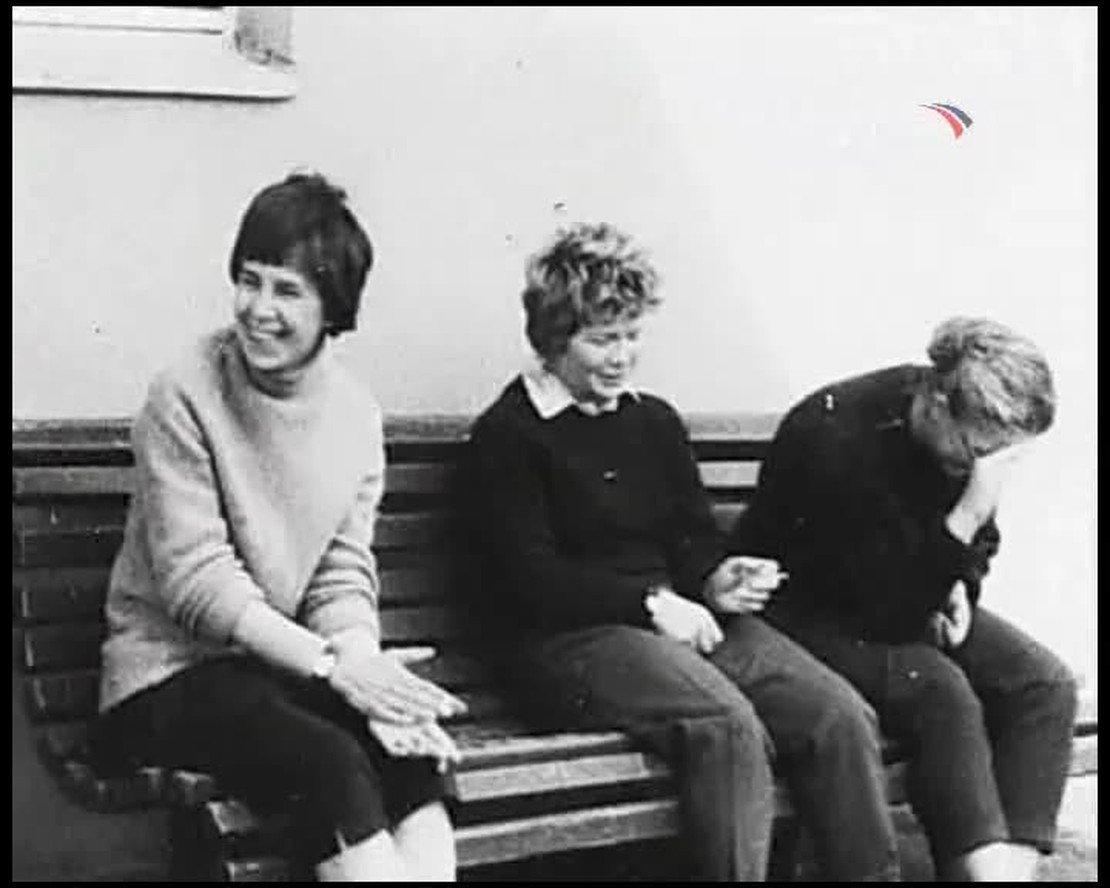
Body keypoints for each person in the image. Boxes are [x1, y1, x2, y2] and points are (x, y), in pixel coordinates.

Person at [459, 222, 902, 881]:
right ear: (552, 341)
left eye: (631, 336)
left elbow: (690, 537)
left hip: (675, 623)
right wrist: (649, 603)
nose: (621, 356)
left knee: (836, 713)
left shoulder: (652, 421)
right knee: (724, 725)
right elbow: (532, 580)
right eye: (601, 339)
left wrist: (717, 578)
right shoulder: (510, 436)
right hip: (567, 642)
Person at [92, 172, 467, 882]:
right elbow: (199, 584)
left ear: (333, 308)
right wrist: (333, 669)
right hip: (165, 681)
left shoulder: (355, 416)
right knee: (328, 761)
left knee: (412, 753)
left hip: (273, 675)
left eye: (287, 291)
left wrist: (367, 669)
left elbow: (340, 574)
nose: (258, 309)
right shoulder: (184, 392)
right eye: (249, 281)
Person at [728, 317, 1079, 881]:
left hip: (907, 593)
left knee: (1044, 684)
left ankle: (1008, 875)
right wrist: (967, 516)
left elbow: (976, 543)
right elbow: (884, 613)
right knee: (940, 690)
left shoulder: (958, 436)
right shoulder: (837, 437)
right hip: (804, 611)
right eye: (975, 453)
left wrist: (962, 583)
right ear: (937, 404)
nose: (980, 470)